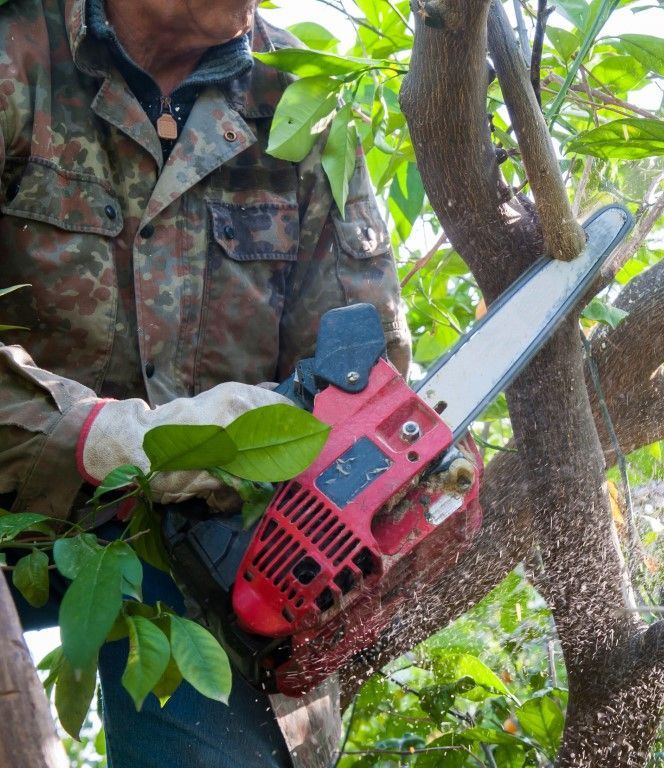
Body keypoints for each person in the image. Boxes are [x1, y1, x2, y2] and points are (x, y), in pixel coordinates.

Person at [0, 1, 410, 766]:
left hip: (205, 532)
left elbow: (361, 358)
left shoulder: (302, 98)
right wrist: (92, 435)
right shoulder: (14, 53)